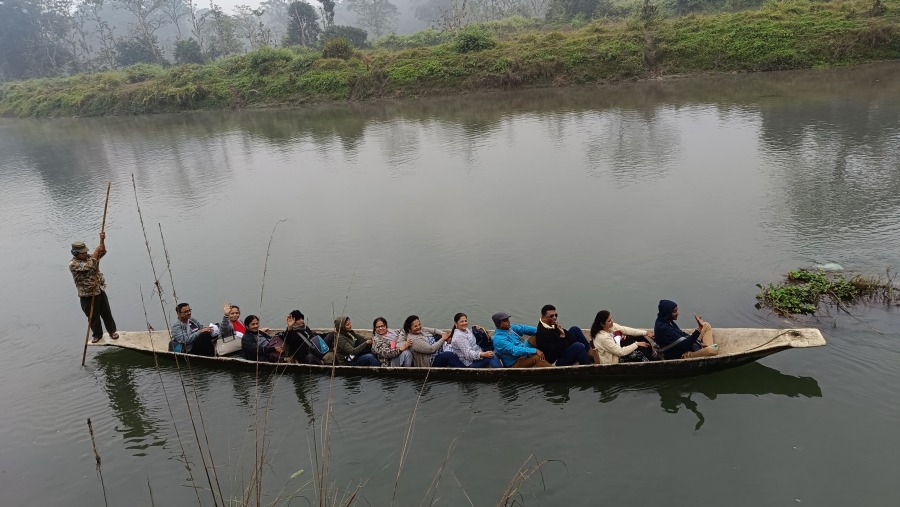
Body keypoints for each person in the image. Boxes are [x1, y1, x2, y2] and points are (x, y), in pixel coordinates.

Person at [69, 233, 118, 343]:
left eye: (86, 251)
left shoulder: (89, 258)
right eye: (83, 253)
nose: (86, 254)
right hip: (87, 295)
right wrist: (96, 252)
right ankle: (97, 335)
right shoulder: (73, 264)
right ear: (75, 253)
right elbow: (91, 264)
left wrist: (102, 241)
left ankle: (112, 331)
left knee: (106, 313)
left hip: (98, 290)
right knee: (93, 317)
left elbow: (102, 252)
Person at [654, 299, 718, 360]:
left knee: (705, 325)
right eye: (674, 311)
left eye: (677, 310)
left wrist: (698, 342)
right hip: (681, 355)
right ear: (667, 313)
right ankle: (709, 349)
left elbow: (681, 334)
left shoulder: (666, 320)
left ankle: (706, 348)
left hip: (684, 346)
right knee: (712, 350)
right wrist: (699, 329)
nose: (677, 313)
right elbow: (685, 345)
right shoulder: (663, 328)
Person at [589, 310, 655, 364]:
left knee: (638, 337)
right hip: (615, 359)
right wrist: (636, 344)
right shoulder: (603, 338)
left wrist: (646, 333)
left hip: (616, 349)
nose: (612, 321)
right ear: (602, 324)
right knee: (640, 351)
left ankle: (652, 355)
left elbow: (625, 330)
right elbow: (620, 352)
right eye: (609, 321)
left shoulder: (610, 327)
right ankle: (653, 364)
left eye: (611, 318)